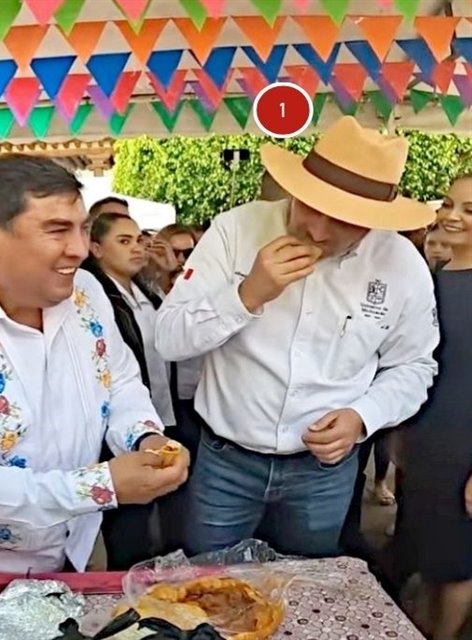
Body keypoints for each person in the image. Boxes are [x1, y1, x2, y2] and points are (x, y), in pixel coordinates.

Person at [0, 154, 189, 577]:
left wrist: (145, 439)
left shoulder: (85, 290)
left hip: (76, 542)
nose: (79, 249)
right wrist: (101, 487)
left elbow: (119, 381)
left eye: (81, 228)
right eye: (56, 230)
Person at [155, 116, 438, 558]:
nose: (319, 231)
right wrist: (248, 295)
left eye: (345, 220)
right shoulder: (236, 230)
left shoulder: (400, 264)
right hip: (225, 461)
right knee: (208, 585)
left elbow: (415, 364)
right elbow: (169, 339)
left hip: (323, 473)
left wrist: (363, 416)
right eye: (309, 206)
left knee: (308, 588)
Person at [397, 174, 472, 640]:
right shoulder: (432, 279)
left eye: (470, 209)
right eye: (448, 203)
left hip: (466, 449)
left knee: (459, 563)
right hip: (428, 446)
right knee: (428, 558)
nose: (452, 216)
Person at [81, 210, 176, 568]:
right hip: (117, 427)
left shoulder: (144, 289)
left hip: (155, 413)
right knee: (129, 523)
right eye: (123, 241)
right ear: (96, 248)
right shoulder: (94, 296)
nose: (137, 248)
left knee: (159, 508)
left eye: (139, 240)